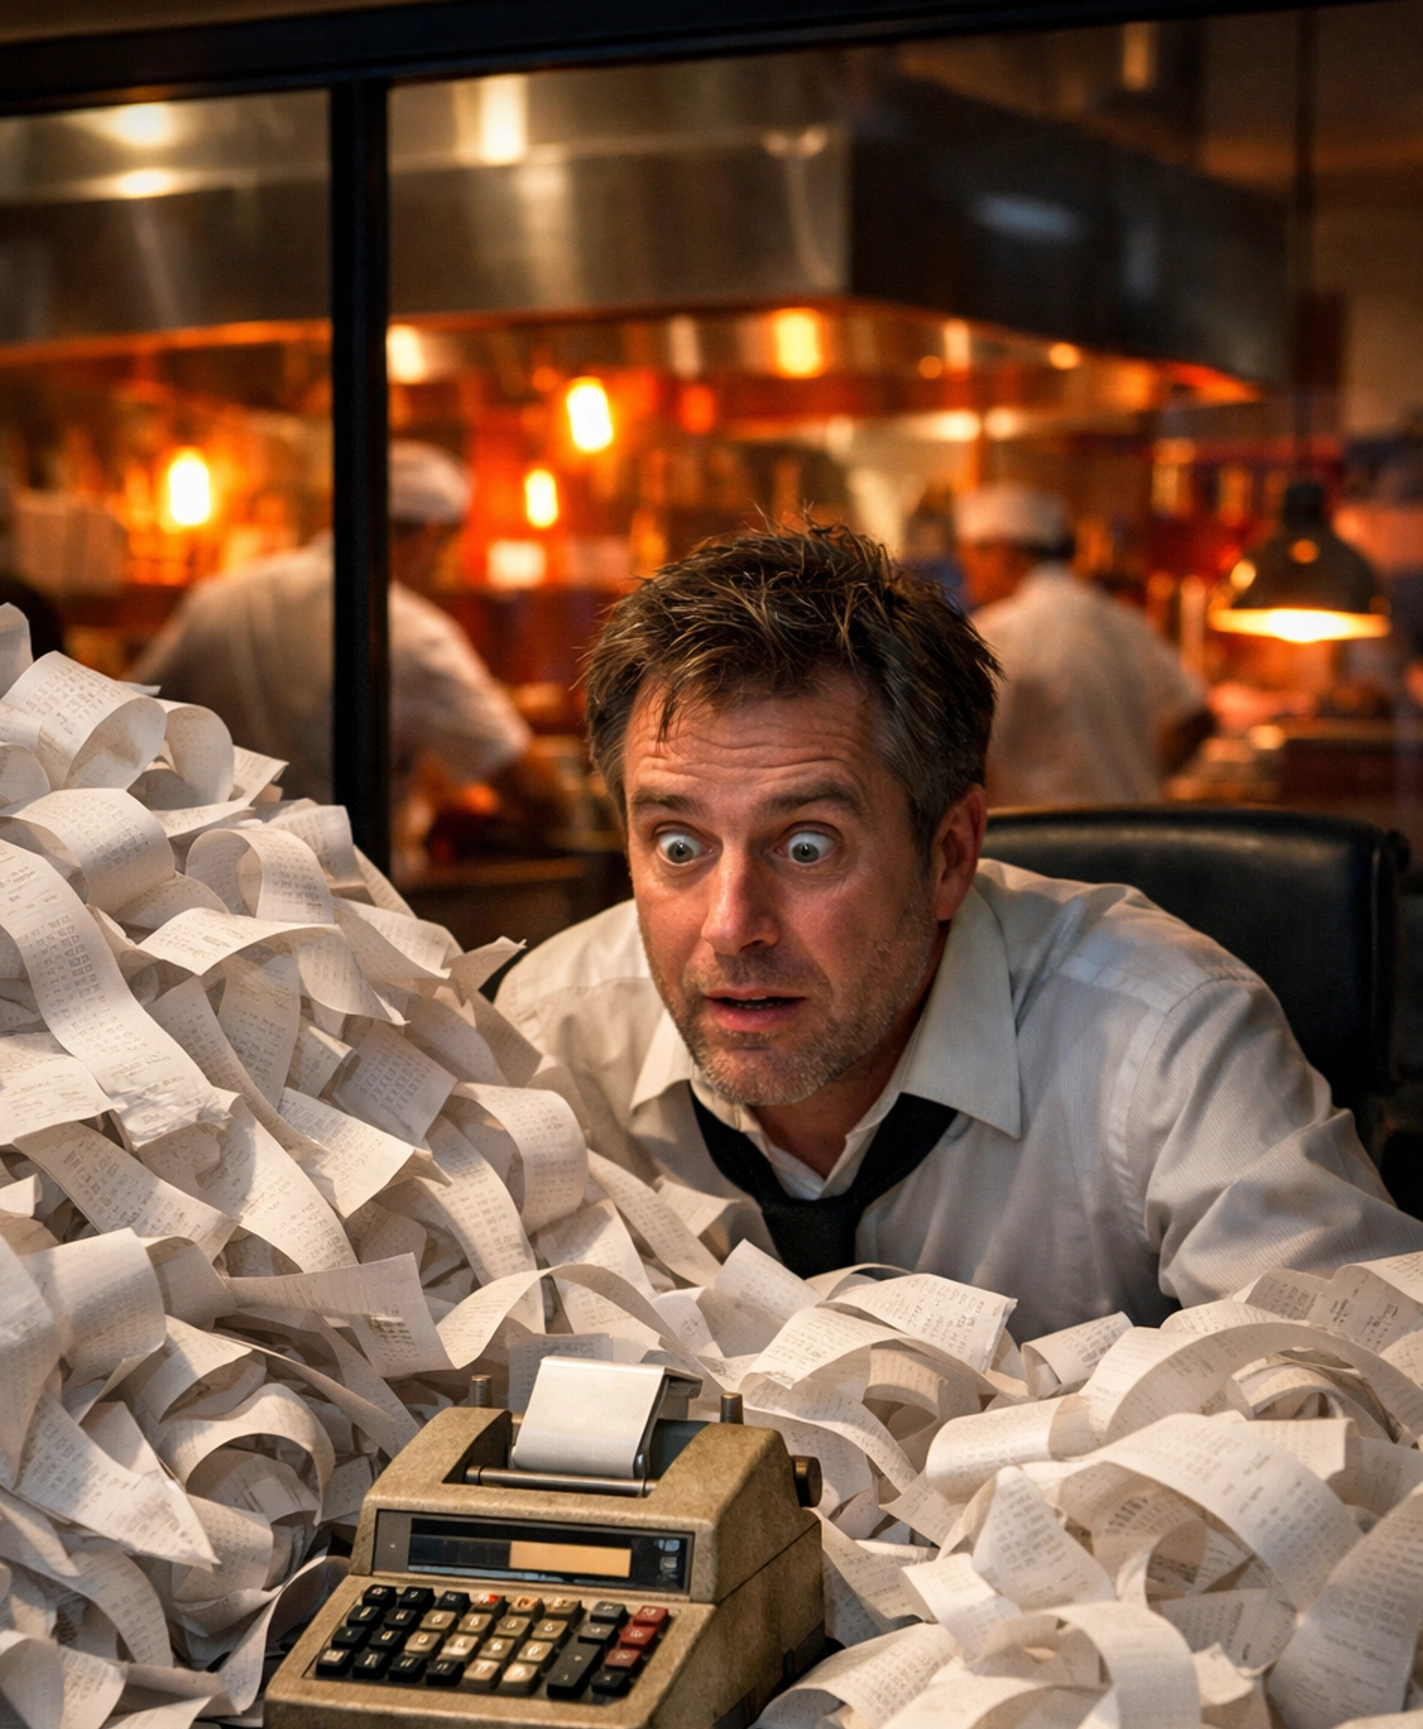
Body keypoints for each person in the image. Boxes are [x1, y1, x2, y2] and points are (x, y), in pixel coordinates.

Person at [496, 523, 1422, 1340]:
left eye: (809, 846)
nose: (732, 927)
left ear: (948, 855)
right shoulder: (549, 1040)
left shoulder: (1164, 1040)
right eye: (680, 844)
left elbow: (1369, 1393)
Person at [135, 442, 528, 802]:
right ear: (431, 534)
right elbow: (515, 772)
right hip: (348, 869)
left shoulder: (218, 598)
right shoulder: (414, 632)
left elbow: (127, 721)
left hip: (216, 865)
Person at [954, 483, 1213, 807]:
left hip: (1040, 844)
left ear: (1003, 551)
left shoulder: (998, 633)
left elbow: (961, 756)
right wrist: (1145, 776)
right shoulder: (1125, 621)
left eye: (969, 558)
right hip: (1138, 835)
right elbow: (1198, 717)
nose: (966, 577)